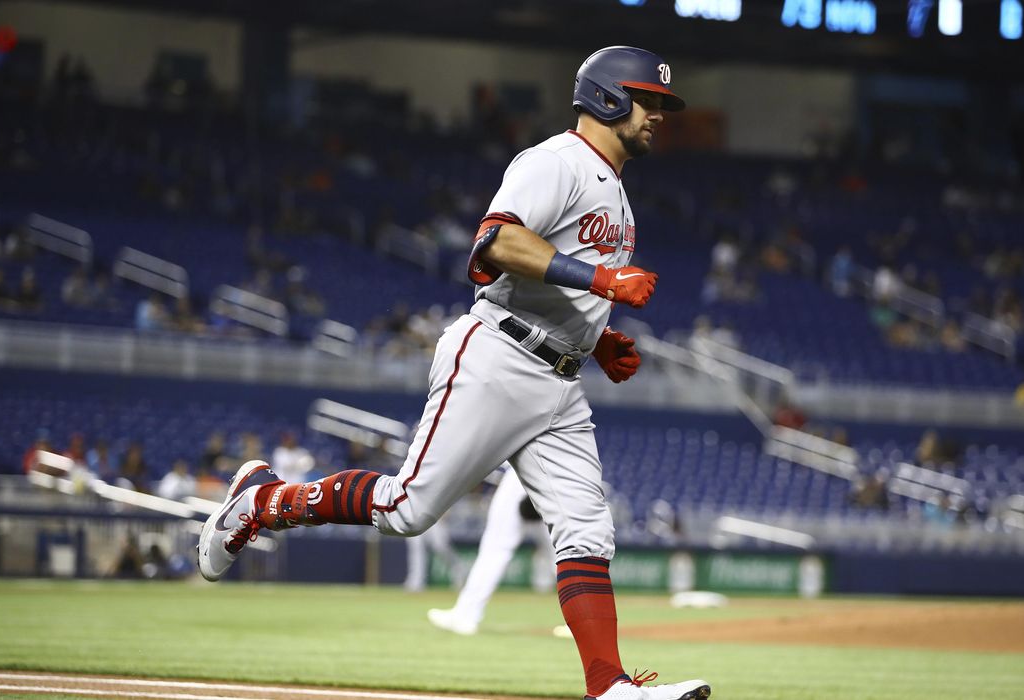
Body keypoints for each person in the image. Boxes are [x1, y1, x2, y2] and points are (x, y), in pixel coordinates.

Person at [197, 46, 709, 700]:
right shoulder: (557, 162)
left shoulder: (616, 192)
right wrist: (602, 278)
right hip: (499, 357)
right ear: (608, 97)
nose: (659, 114)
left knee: (586, 529)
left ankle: (610, 689)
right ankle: (263, 501)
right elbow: (497, 243)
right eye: (649, 100)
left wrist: (600, 337)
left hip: (558, 378)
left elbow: (560, 279)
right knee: (408, 509)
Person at [427, 467, 556, 635]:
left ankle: (466, 615)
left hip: (527, 470)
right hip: (562, 474)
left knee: (496, 548)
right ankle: (589, 617)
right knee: (565, 549)